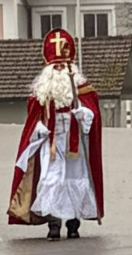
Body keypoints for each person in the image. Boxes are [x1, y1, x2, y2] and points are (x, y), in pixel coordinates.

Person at [7, 28, 104, 239]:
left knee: (74, 179)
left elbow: (93, 113)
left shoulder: (82, 87)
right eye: (55, 65)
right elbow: (33, 118)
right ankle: (53, 223)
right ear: (48, 67)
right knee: (51, 179)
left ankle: (73, 222)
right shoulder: (41, 91)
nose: (59, 69)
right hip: (50, 143)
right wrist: (39, 128)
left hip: (74, 142)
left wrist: (84, 113)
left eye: (63, 65)